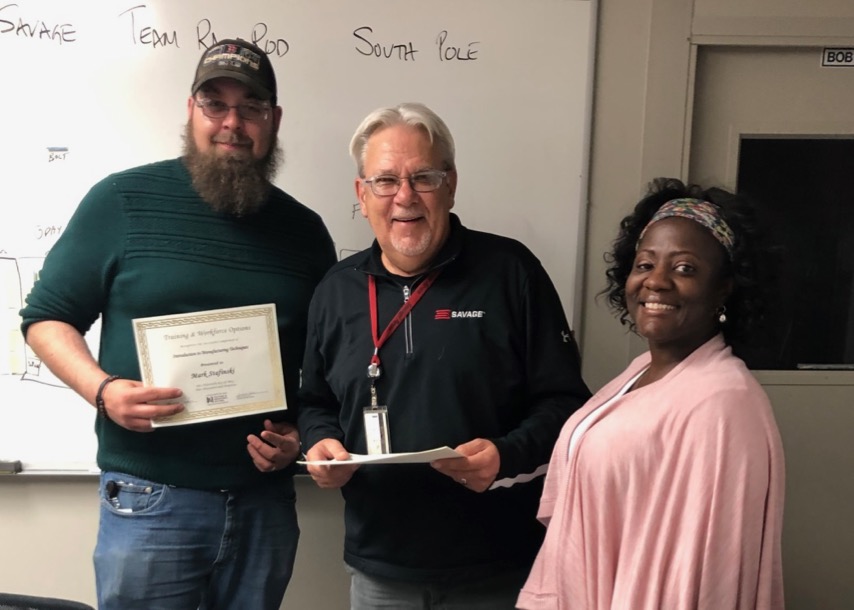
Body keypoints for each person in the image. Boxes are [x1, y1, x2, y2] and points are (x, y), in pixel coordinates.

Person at [19, 39, 336, 610]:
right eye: (215, 103)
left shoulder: (305, 232)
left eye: (252, 106)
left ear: (275, 119)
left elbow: (321, 366)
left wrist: (297, 437)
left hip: (265, 504)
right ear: (190, 110)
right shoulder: (121, 201)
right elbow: (45, 319)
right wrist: (103, 390)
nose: (232, 123)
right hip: (150, 503)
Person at [297, 102, 591, 609]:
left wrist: (507, 455)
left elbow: (567, 403)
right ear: (361, 194)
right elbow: (314, 402)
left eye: (424, 177)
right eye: (385, 180)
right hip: (380, 572)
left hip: (499, 566)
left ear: (451, 183)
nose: (404, 197)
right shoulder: (335, 291)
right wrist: (321, 442)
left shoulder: (511, 273)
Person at [517, 178, 786, 610]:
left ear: (724, 288)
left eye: (685, 268)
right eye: (645, 264)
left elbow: (704, 571)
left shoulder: (724, 402)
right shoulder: (640, 372)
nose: (656, 282)